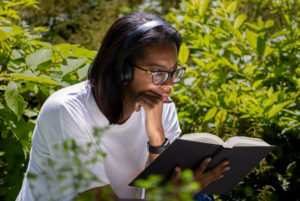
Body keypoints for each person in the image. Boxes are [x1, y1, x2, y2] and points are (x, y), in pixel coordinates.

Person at [16, 12, 230, 201]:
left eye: (173, 72)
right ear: (122, 70)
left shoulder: (161, 106)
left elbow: (158, 190)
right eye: (158, 73)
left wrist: (157, 138)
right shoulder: (66, 110)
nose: (169, 84)